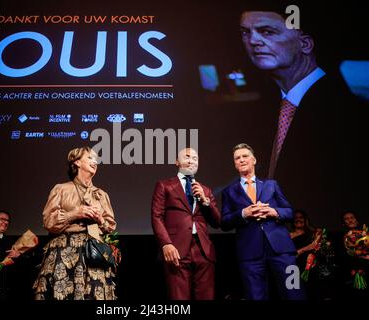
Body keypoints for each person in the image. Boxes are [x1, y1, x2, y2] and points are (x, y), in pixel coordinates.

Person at [238, 4, 365, 225]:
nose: (253, 41)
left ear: (305, 43)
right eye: (246, 32)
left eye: (267, 31)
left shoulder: (347, 108)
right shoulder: (262, 106)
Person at [221, 143, 305, 300]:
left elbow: (290, 212)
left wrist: (274, 212)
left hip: (282, 250)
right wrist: (243, 213)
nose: (241, 160)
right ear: (234, 164)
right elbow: (224, 222)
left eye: (245, 156)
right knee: (255, 296)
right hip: (250, 254)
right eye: (237, 158)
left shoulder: (271, 185)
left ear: (254, 160)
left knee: (294, 292)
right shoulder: (229, 192)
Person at [33, 146, 117, 300]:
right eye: (90, 157)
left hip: (93, 253)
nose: (95, 161)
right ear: (77, 162)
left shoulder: (101, 195)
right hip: (64, 251)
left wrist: (100, 220)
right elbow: (48, 222)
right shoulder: (61, 189)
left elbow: (110, 226)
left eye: (96, 159)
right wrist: (75, 213)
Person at [151, 147, 221, 300]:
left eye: (195, 158)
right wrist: (166, 244)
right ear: (177, 162)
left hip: (203, 251)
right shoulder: (165, 185)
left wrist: (205, 201)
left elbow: (217, 222)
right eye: (187, 157)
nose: (191, 161)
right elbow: (157, 217)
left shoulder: (205, 190)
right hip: (176, 249)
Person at [335, 211, 369, 300]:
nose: (350, 220)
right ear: (343, 223)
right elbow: (342, 254)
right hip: (351, 270)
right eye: (346, 219)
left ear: (357, 220)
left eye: (352, 217)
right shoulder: (341, 236)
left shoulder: (365, 233)